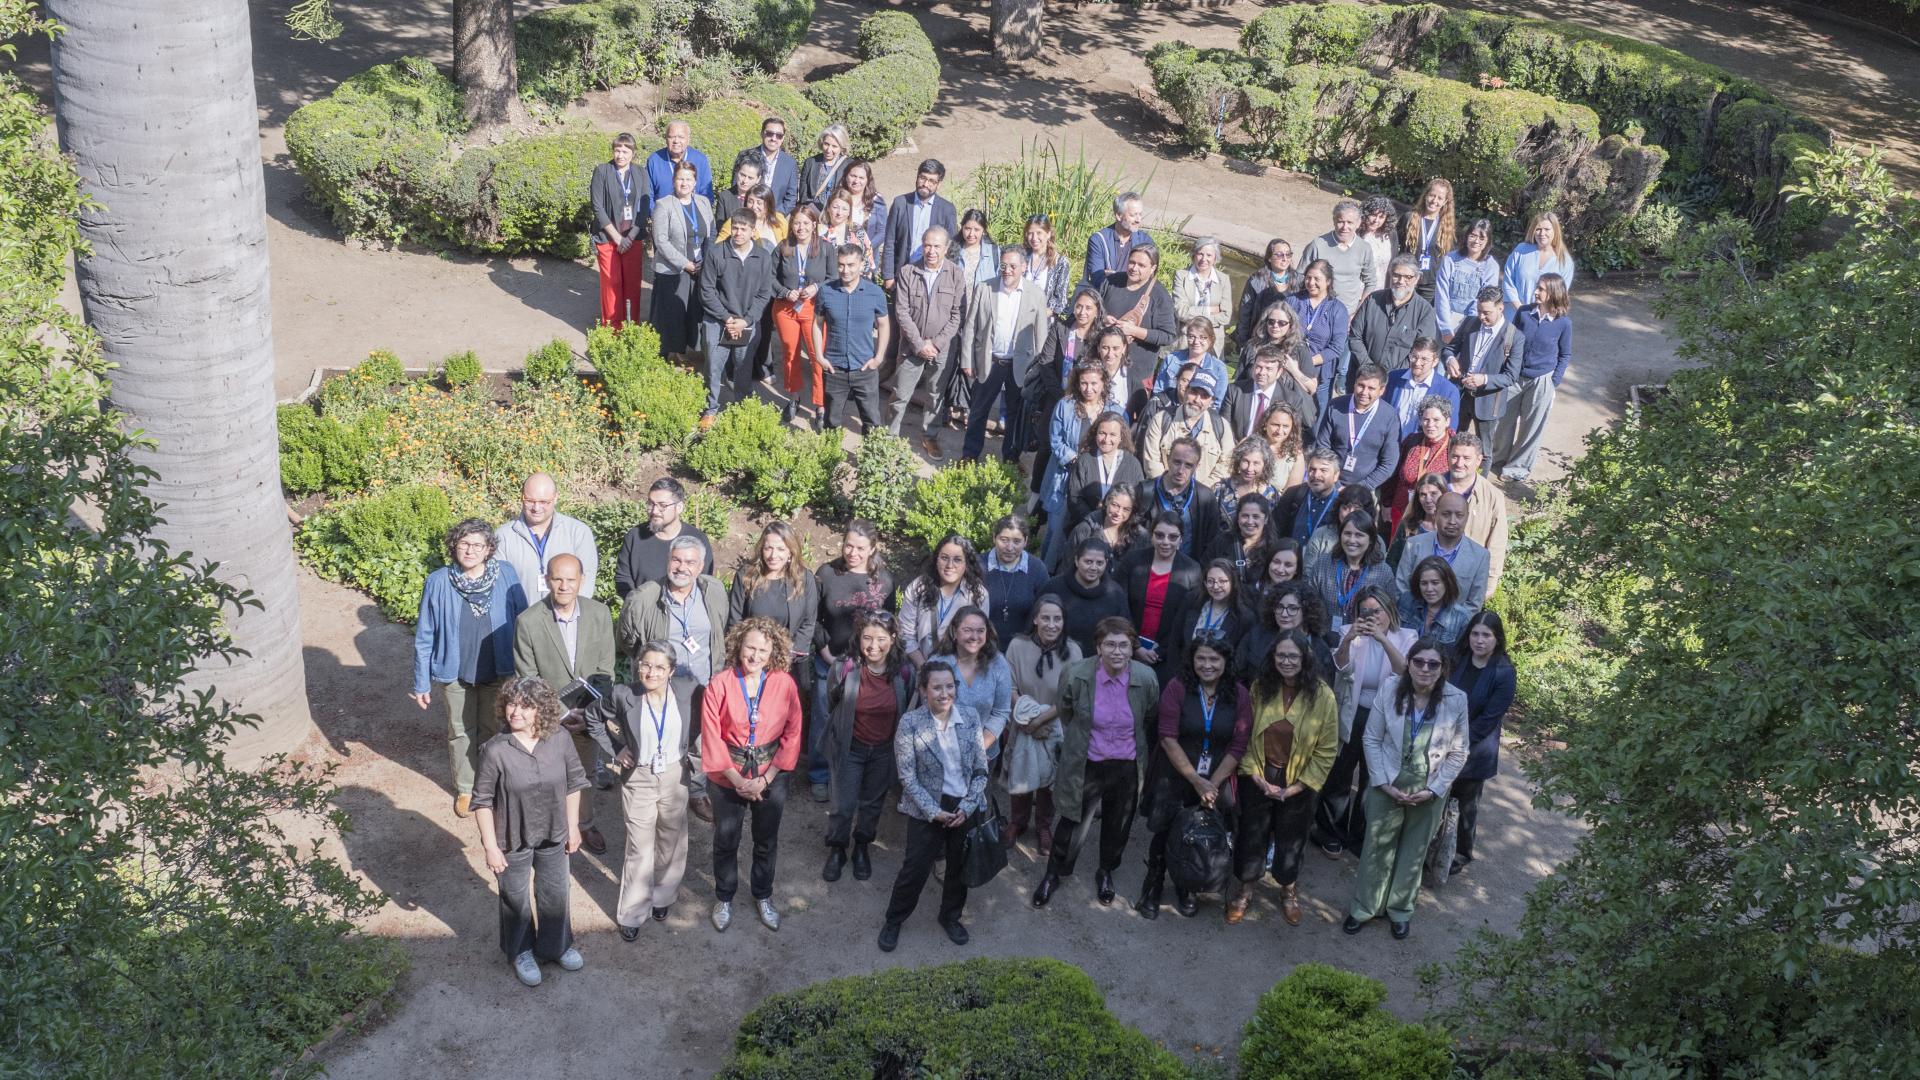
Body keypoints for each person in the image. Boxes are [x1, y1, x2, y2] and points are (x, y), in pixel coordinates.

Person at [1033, 616, 1161, 908]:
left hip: (1127, 764)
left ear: (1132, 648)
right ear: (1098, 647)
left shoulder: (1146, 678)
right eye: (1110, 645)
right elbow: (1066, 712)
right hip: (1087, 761)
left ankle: (1106, 871)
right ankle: (1054, 873)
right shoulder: (1076, 674)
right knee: (1071, 822)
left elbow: (1148, 714)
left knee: (1119, 825)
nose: (1117, 652)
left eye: (1124, 646)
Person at [1345, 637, 1468, 939]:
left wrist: (1434, 789)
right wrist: (1383, 783)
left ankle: (1400, 909)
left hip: (1428, 789)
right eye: (1418, 662)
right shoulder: (1389, 689)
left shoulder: (1456, 699)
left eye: (1433, 664)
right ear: (1409, 663)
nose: (1425, 669)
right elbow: (1371, 739)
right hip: (1388, 782)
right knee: (1376, 847)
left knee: (1414, 851)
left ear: (1443, 668)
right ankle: (1364, 907)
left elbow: (1459, 752)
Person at [472, 675, 587, 986]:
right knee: (515, 897)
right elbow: (481, 802)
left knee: (556, 892)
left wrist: (573, 826)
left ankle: (556, 947)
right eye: (511, 704)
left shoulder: (560, 739)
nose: (515, 712)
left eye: (525, 706)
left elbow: (574, 783)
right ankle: (521, 951)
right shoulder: (495, 750)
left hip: (554, 830)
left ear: (541, 710)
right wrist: (491, 847)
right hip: (511, 837)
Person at [582, 642, 697, 939]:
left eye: (660, 667)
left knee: (672, 840)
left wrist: (694, 755)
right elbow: (593, 717)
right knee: (639, 847)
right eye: (646, 665)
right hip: (639, 777)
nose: (651, 672)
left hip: (674, 775)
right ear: (638, 666)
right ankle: (633, 912)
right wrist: (616, 749)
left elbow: (706, 719)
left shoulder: (687, 691)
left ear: (671, 671)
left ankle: (662, 897)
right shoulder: (624, 694)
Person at [413, 519, 527, 819]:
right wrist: (421, 682)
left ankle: (490, 785)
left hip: (498, 669)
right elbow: (425, 635)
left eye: (477, 544)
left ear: (489, 548)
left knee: (495, 730)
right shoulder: (438, 581)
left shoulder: (507, 575)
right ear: (454, 545)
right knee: (461, 731)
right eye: (464, 543)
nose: (470, 550)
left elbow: (525, 621)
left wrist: (527, 671)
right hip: (456, 672)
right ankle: (466, 788)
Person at [702, 617, 805, 932]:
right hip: (727, 776)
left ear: (773, 650)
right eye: (750, 647)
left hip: (770, 774)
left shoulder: (784, 683)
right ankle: (724, 896)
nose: (756, 655)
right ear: (738, 646)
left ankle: (763, 895)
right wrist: (738, 782)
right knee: (726, 838)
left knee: (766, 839)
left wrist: (766, 778)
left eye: (763, 649)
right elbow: (711, 735)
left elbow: (793, 731)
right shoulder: (719, 683)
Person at [878, 661, 990, 951]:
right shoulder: (910, 723)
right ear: (923, 690)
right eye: (937, 687)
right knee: (914, 868)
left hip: (964, 805)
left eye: (950, 686)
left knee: (959, 866)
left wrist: (968, 806)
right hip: (927, 807)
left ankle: (950, 916)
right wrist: (933, 811)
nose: (944, 692)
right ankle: (894, 919)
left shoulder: (970, 717)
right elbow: (907, 777)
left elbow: (981, 769)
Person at [1227, 629, 1337, 925]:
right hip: (1260, 774)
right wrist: (1255, 775)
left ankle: (1288, 890)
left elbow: (1327, 750)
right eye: (1281, 655)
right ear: (1272, 657)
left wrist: (1299, 787)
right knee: (1252, 833)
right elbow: (1245, 734)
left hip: (1300, 779)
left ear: (1305, 659)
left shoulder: (1323, 696)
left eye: (1293, 655)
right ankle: (1245, 889)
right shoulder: (1260, 688)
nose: (1287, 661)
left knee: (1292, 837)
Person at [619, 534, 730, 823]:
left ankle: (696, 791)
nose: (682, 567)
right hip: (664, 687)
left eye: (690, 562)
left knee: (700, 740)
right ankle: (658, 792)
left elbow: (720, 633)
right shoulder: (644, 597)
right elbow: (629, 642)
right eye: (677, 559)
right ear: (668, 560)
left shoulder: (714, 590)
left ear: (701, 565)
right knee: (662, 738)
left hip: (704, 683)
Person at [1138, 634, 1250, 918]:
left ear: (1226, 662)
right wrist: (1196, 780)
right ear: (1192, 660)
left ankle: (1185, 885)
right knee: (1165, 830)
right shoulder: (1177, 688)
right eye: (1201, 658)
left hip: (1217, 776)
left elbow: (1238, 744)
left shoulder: (1239, 695)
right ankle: (1153, 883)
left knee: (1201, 831)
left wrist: (1212, 784)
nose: (1207, 665)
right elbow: (1166, 737)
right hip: (1175, 772)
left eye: (1214, 659)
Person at [512, 554, 615, 855]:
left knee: (585, 774)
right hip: (547, 717)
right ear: (546, 580)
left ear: (582, 580)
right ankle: (550, 828)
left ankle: (584, 823)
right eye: (558, 579)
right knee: (546, 776)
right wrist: (559, 712)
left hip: (588, 714)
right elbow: (527, 678)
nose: (564, 586)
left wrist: (588, 713)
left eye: (571, 579)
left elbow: (605, 670)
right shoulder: (528, 621)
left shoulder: (599, 614)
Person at [1318, 585, 1415, 857]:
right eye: (1366, 611)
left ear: (1389, 611)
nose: (1372, 616)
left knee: (1373, 777)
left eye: (1378, 611)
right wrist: (1348, 640)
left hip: (1384, 716)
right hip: (1353, 711)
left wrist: (1382, 639)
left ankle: (1361, 835)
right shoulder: (1350, 632)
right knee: (1339, 774)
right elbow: (1340, 667)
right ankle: (1332, 832)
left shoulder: (1406, 636)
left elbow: (1404, 672)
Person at [820, 610, 911, 883]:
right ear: (858, 638)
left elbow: (907, 708)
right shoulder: (845, 667)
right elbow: (834, 702)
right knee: (842, 805)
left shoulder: (905, 672)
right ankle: (837, 848)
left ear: (893, 639)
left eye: (881, 639)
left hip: (884, 750)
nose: (873, 646)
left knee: (872, 805)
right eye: (867, 638)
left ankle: (862, 845)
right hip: (850, 748)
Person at [729, 523, 820, 794]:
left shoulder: (804, 579)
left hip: (788, 664)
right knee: (753, 717)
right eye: (768, 547)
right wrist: (747, 656)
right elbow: (735, 620)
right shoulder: (746, 575)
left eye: (780, 548)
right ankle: (748, 769)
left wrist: (784, 659)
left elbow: (808, 623)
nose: (773, 554)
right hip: (751, 660)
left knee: (784, 719)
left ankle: (779, 775)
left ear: (791, 551)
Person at [810, 521, 897, 787]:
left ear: (873, 548)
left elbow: (889, 621)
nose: (852, 552)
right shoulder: (827, 573)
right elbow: (812, 617)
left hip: (869, 663)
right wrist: (825, 651)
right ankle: (820, 775)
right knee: (824, 717)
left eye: (860, 548)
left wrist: (880, 656)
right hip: (831, 660)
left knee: (863, 718)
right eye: (848, 545)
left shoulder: (883, 580)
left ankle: (855, 774)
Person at [1004, 595, 1082, 855]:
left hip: (1056, 724)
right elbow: (1010, 687)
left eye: (1057, 618)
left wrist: (1041, 720)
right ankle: (1018, 821)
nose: (1051, 624)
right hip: (1021, 723)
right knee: (1022, 771)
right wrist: (1028, 719)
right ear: (1035, 619)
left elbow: (1071, 696)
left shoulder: (1073, 651)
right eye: (1046, 617)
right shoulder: (1017, 646)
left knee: (1049, 779)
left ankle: (1044, 826)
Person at [959, 247, 1049, 461]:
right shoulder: (985, 288)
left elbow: (1041, 335)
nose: (1007, 270)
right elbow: (970, 326)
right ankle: (969, 455)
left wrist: (1039, 370)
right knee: (979, 411)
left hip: (1020, 365)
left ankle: (1010, 458)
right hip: (989, 360)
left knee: (1016, 414)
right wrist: (967, 359)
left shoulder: (1035, 294)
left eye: (1013, 266)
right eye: (1004, 266)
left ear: (1023, 267)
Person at [886, 226, 966, 450]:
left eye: (937, 246)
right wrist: (919, 344)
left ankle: (929, 436)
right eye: (927, 245)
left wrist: (937, 344)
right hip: (911, 347)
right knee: (900, 394)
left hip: (942, 350)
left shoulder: (955, 274)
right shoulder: (908, 272)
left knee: (935, 396)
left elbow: (957, 314)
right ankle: (888, 439)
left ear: (946, 248)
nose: (931, 251)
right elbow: (901, 312)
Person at [1448, 610, 1514, 875]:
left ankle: (1461, 853)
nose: (1480, 640)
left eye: (1486, 635)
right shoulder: (1458, 658)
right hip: (1445, 739)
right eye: (1475, 633)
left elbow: (1489, 720)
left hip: (1476, 750)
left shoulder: (1504, 672)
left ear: (1497, 639)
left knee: (1466, 803)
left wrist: (1458, 743)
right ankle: (1434, 846)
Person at [1490, 273, 1573, 482]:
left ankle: (1516, 469)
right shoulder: (1524, 313)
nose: (1536, 292)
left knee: (1531, 428)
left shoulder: (1563, 323)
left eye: (1541, 289)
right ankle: (1497, 459)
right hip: (1514, 377)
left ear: (1554, 293)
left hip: (1541, 381)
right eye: (1537, 287)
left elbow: (1565, 354)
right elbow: (1509, 339)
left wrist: (1553, 383)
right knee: (1502, 421)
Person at [698, 207, 774, 426]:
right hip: (717, 321)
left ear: (753, 231)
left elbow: (764, 293)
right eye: (735, 228)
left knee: (743, 368)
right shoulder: (716, 252)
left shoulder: (763, 257)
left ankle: (742, 409)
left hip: (746, 323)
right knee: (713, 366)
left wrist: (746, 320)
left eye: (743, 229)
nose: (738, 233)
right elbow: (707, 291)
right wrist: (726, 319)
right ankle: (710, 409)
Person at [1025, 287, 1103, 489]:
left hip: (1086, 402)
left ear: (1096, 311)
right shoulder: (1061, 330)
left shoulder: (1098, 339)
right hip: (1056, 399)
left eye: (1088, 308)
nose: (1082, 312)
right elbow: (1046, 363)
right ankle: (1036, 492)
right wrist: (1062, 396)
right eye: (1078, 306)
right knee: (1047, 446)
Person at [811, 243, 891, 431]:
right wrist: (819, 357)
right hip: (835, 368)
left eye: (851, 265)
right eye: (841, 265)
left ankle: (871, 459)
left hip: (865, 368)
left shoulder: (875, 293)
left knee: (872, 421)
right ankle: (831, 458)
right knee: (831, 421)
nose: (845, 270)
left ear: (862, 264)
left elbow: (884, 324)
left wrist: (878, 358)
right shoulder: (826, 291)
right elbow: (817, 324)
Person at [1040, 365, 1115, 563]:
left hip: (1098, 482)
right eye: (1083, 383)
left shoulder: (1113, 409)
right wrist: (1077, 461)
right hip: (1064, 478)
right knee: (1055, 532)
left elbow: (1119, 441)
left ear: (1103, 384)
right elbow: (1055, 441)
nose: (1088, 389)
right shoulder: (1065, 405)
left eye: (1093, 383)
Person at [495, 472, 598, 603]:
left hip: (565, 619)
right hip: (519, 619)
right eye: (530, 501)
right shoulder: (504, 536)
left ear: (555, 498)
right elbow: (498, 585)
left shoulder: (578, 533)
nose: (536, 508)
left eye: (544, 502)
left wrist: (571, 617)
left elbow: (586, 583)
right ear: (522, 498)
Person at [772, 205, 832, 427]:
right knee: (790, 352)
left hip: (814, 309)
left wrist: (816, 287)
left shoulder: (825, 249)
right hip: (786, 308)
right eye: (797, 223)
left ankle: (820, 404)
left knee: (817, 355)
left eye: (806, 223)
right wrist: (785, 292)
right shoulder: (783, 247)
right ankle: (794, 396)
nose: (801, 227)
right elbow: (770, 277)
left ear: (814, 224)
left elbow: (833, 277)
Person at [1122, 512, 1203, 675]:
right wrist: (1135, 645)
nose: (1165, 542)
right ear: (1151, 536)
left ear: (1181, 540)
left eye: (1173, 537)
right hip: (1125, 649)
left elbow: (1188, 618)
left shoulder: (1192, 569)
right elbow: (1119, 604)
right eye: (1159, 535)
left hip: (1168, 656)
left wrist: (1162, 651)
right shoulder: (1132, 560)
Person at [649, 159, 713, 363]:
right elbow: (661, 241)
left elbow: (711, 234)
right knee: (673, 313)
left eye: (688, 179)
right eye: (680, 178)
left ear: (695, 182)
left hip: (699, 266)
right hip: (673, 269)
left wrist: (706, 260)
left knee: (693, 310)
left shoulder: (703, 202)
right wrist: (685, 263)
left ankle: (688, 349)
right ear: (673, 181)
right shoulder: (664, 204)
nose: (684, 183)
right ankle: (672, 352)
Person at [929, 606, 1014, 760]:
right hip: (943, 753)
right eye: (967, 630)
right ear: (954, 632)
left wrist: (978, 747)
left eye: (980, 631)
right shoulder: (937, 662)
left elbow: (1001, 712)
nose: (974, 636)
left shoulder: (998, 663)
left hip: (983, 754)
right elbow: (929, 708)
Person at [1442, 286, 1523, 444]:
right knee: (1451, 441)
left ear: (1500, 308)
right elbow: (1449, 349)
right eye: (1479, 310)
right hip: (1460, 395)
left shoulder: (1515, 337)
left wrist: (1484, 379)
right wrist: (1450, 359)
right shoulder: (1470, 323)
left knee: (1484, 449)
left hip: (1488, 402)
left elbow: (1511, 376)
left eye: (1486, 313)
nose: (1481, 316)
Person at [1099, 245, 1178, 403]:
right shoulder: (1112, 282)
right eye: (1132, 262)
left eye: (1141, 265)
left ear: (1153, 268)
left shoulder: (1159, 296)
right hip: (1104, 363)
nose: (1134, 268)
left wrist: (1134, 331)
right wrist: (1104, 318)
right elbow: (1095, 310)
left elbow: (1168, 336)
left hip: (1136, 371)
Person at [614, 477, 714, 598]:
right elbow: (623, 579)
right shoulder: (635, 537)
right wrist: (637, 605)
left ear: (679, 507)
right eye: (651, 504)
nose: (655, 511)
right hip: (643, 611)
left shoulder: (697, 539)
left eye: (663, 505)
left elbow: (705, 580)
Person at [900, 533, 991, 666]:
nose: (950, 565)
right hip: (920, 666)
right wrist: (923, 667)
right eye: (944, 558)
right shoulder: (918, 588)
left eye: (957, 559)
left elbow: (977, 639)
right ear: (936, 560)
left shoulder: (978, 595)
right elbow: (905, 634)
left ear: (966, 563)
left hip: (959, 670)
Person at [1232, 579, 1336, 689]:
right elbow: (1237, 674)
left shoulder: (1320, 650)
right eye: (1279, 607)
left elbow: (1324, 694)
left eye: (1292, 608)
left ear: (1306, 611)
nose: (1284, 614)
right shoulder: (1256, 636)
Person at [1395, 490, 1491, 608]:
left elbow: (1474, 605)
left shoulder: (1480, 556)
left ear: (1467, 517)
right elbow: (1401, 588)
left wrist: (1449, 622)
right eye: (1446, 514)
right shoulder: (1414, 545)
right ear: (1435, 515)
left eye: (1459, 515)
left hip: (1456, 625)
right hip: (1412, 620)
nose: (1452, 521)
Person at [1160, 559, 1248, 685]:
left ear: (1233, 582)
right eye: (1211, 581)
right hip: (1184, 678)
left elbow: (1238, 661)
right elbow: (1175, 641)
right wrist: (1176, 678)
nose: (1216, 586)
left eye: (1222, 581)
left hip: (1220, 684)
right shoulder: (1191, 601)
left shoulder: (1244, 617)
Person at [590, 133, 646, 328]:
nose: (620, 155)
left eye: (625, 151)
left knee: (632, 285)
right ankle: (612, 331)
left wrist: (630, 237)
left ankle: (632, 328)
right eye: (617, 150)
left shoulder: (640, 172)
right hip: (608, 239)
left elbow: (644, 206)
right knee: (612, 284)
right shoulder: (602, 171)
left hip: (633, 238)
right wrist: (617, 238)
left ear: (633, 153)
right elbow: (597, 207)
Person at [1308, 512, 1397, 633]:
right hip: (1324, 639)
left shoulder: (1383, 572)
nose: (1352, 540)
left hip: (1365, 642)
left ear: (1371, 540)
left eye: (1359, 535)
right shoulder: (1323, 564)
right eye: (1347, 534)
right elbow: (1310, 603)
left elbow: (1391, 614)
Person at [1444, 433, 1510, 598]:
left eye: (1466, 458)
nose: (1459, 463)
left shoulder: (1493, 496)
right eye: (1455, 456)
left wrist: (1490, 581)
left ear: (1479, 460)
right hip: (1429, 576)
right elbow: (1410, 527)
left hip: (1468, 580)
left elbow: (1497, 541)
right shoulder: (1432, 487)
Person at [1349, 254, 1439, 374]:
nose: (1401, 281)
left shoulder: (1425, 311)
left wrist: (1393, 375)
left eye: (1408, 277)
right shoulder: (1373, 300)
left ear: (1417, 279)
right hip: (1363, 376)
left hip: (1399, 381)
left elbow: (1422, 351)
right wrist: (1369, 369)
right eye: (1396, 275)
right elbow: (1355, 336)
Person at [1063, 410, 1145, 541]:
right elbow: (1074, 499)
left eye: (1112, 434)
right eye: (1102, 433)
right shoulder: (1084, 460)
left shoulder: (1133, 464)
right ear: (1095, 434)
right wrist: (1096, 523)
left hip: (1121, 534)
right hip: (1087, 530)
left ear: (1121, 437)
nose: (1107, 439)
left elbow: (1139, 500)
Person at [1312, 364, 1398, 489]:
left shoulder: (1390, 416)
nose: (1364, 392)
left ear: (1382, 390)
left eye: (1371, 388)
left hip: (1364, 489)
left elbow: (1389, 463)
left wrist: (1359, 489)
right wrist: (1335, 483)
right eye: (1361, 385)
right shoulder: (1335, 406)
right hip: (1330, 483)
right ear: (1354, 383)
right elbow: (1323, 447)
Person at [1039, 537, 1132, 652]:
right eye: (1088, 562)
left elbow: (1124, 632)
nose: (1093, 567)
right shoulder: (1053, 587)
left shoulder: (1115, 594)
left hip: (1099, 663)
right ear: (1077, 561)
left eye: (1099, 563)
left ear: (1106, 563)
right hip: (1056, 658)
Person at [1140, 371, 1230, 488]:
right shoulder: (1161, 419)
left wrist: (1198, 493)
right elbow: (1151, 463)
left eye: (1204, 396)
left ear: (1211, 401)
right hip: (1163, 493)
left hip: (1202, 499)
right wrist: (1169, 489)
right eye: (1194, 392)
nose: (1197, 400)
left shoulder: (1222, 426)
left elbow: (1226, 465)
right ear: (1186, 391)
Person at [1136, 436, 1222, 557]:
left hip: (1189, 571)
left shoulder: (1206, 498)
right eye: (1177, 462)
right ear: (1168, 459)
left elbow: (1212, 543)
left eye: (1188, 465)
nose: (1181, 470)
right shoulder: (1144, 491)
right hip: (1150, 568)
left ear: (1197, 466)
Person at [1224, 339, 1317, 444]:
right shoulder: (1235, 391)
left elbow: (1291, 437)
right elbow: (1224, 427)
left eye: (1269, 369)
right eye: (1258, 367)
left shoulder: (1291, 400)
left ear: (1279, 372)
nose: (1262, 372)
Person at [883, 159, 958, 288]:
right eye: (923, 178)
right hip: (902, 274)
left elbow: (952, 247)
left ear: (938, 184)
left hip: (933, 276)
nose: (925, 184)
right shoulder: (900, 203)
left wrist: (946, 279)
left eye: (932, 181)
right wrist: (888, 276)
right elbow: (889, 242)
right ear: (917, 177)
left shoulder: (947, 209)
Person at [1290, 260, 1351, 416]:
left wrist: (1306, 363)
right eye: (1308, 278)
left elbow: (1336, 348)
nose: (1311, 283)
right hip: (1289, 367)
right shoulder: (1293, 301)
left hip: (1320, 374)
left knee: (1317, 417)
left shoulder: (1337, 309)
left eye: (1317, 279)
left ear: (1328, 281)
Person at [1387, 398, 1455, 534]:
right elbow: (1394, 474)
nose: (1430, 424)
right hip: (1402, 510)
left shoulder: (1454, 447)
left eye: (1436, 420)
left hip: (1433, 518)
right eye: (1425, 419)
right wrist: (1386, 503)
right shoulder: (1412, 441)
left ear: (1447, 421)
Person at [981, 515, 1049, 645]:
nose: (1010, 547)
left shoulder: (1037, 569)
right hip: (982, 645)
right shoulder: (978, 566)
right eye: (1004, 540)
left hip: (1024, 646)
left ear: (1025, 541)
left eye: (1017, 541)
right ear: (994, 538)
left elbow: (1045, 609)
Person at [1299, 200, 1376, 312]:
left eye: (1350, 223)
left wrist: (1359, 310)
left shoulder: (1364, 248)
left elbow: (1371, 282)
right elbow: (1299, 276)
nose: (1345, 227)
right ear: (1334, 220)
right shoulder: (1318, 245)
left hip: (1348, 313)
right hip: (1317, 310)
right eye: (1341, 222)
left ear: (1358, 223)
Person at [1433, 218, 1501, 343]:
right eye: (1473, 236)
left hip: (1473, 322)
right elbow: (1441, 294)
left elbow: (1485, 299)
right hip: (1445, 319)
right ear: (1466, 236)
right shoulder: (1450, 259)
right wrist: (1446, 329)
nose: (1476, 241)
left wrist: (1468, 326)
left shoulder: (1491, 266)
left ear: (1488, 242)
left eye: (1482, 238)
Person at [1501, 209, 1575, 319]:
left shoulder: (1564, 261)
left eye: (1547, 229)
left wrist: (1538, 316)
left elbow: (1559, 295)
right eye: (1538, 229)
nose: (1542, 233)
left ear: (1555, 231)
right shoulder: (1521, 250)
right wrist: (1521, 310)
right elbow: (1508, 282)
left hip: (1543, 319)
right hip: (1513, 315)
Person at [1383, 338, 1460, 440]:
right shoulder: (1393, 378)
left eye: (1424, 359)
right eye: (1414, 357)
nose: (1417, 363)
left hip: (1421, 448)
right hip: (1390, 444)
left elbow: (1449, 430)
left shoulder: (1448, 390)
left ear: (1435, 362)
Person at [1232, 237, 1298, 356]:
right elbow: (1245, 314)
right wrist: (1242, 343)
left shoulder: (1299, 281)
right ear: (1269, 257)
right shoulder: (1256, 281)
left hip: (1288, 341)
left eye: (1288, 254)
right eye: (1279, 255)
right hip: (1260, 339)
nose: (1285, 259)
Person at [1151, 317, 1231, 413]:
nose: (1196, 342)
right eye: (1192, 336)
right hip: (1169, 413)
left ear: (1211, 339)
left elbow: (1218, 404)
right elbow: (1158, 392)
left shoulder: (1219, 368)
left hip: (1201, 417)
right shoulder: (1171, 359)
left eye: (1202, 337)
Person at [1172, 236, 1232, 357]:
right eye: (1200, 254)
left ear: (1215, 258)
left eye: (1209, 255)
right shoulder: (1181, 276)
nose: (1204, 259)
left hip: (1212, 342)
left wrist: (1193, 315)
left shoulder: (1223, 279)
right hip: (1185, 340)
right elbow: (1181, 312)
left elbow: (1225, 316)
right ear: (1194, 255)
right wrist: (1210, 310)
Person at [1400, 179, 1455, 303]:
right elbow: (1397, 247)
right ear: (1426, 195)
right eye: (1432, 195)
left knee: (1421, 319)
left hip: (1430, 285)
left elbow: (1445, 257)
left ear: (1445, 202)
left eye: (1440, 198)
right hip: (1407, 278)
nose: (1434, 201)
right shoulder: (1409, 218)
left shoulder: (1446, 226)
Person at [1399, 556, 1473, 647]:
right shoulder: (1407, 600)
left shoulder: (1461, 618)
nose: (1429, 589)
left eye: (1435, 583)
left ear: (1447, 583)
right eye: (1424, 583)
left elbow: (1460, 657)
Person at [734, 116, 799, 216]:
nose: (774, 138)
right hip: (747, 215)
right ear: (762, 133)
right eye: (769, 133)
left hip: (775, 219)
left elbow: (791, 197)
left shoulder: (790, 163)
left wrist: (777, 216)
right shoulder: (746, 156)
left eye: (779, 135)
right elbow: (737, 187)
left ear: (783, 138)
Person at [1084, 191, 1150, 289]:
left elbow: (1148, 278)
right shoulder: (1098, 240)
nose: (1138, 220)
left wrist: (1113, 275)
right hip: (1104, 299)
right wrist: (1131, 277)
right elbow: (1097, 279)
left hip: (1134, 297)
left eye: (1140, 214)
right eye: (1133, 215)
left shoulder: (1145, 241)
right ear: (1119, 216)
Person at [644, 120, 712, 214]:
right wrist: (657, 217)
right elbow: (647, 195)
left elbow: (707, 195)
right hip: (663, 219)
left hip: (693, 219)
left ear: (688, 139)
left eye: (681, 137)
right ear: (666, 139)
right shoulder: (654, 161)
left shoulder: (700, 160)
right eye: (671, 137)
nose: (676, 141)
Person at [1387, 472, 1448, 571]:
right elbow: (1392, 561)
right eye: (1423, 495)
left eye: (1433, 494)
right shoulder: (1408, 525)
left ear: (1444, 494)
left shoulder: (1451, 528)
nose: (1428, 500)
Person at [1215, 439, 1280, 528]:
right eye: (1245, 461)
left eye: (1256, 463)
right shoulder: (1221, 489)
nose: (1249, 468)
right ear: (1238, 461)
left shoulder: (1271, 495)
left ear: (1265, 466)